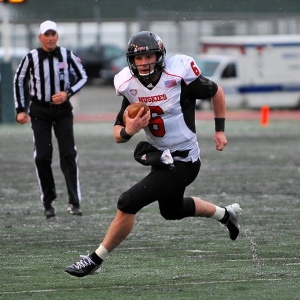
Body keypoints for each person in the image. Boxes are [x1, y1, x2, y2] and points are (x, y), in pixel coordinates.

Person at [65, 31, 242, 277]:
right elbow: (117, 133)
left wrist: (219, 130)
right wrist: (129, 130)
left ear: (159, 56)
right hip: (161, 158)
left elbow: (217, 92)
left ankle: (95, 260)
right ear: (131, 61)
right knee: (172, 210)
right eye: (139, 58)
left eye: (149, 56)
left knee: (128, 202)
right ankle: (226, 214)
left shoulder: (178, 75)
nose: (145, 62)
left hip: (184, 159)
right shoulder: (129, 86)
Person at [13, 20, 88, 218]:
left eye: (53, 34)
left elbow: (83, 76)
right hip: (40, 111)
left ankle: (74, 201)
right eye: (46, 34)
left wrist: (68, 93)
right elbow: (18, 80)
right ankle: (48, 200)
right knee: (43, 156)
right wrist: (20, 109)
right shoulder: (31, 57)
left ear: (57, 36)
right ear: (40, 38)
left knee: (68, 154)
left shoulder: (67, 55)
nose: (50, 38)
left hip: (62, 110)